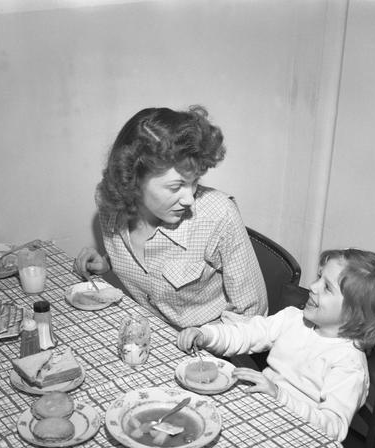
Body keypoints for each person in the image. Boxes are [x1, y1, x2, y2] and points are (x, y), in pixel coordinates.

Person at [176, 248, 375, 442]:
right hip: (260, 415)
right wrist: (206, 335)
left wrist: (278, 395)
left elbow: (333, 428)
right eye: (319, 276)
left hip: (295, 440)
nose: (314, 286)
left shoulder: (348, 365)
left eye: (327, 287)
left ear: (356, 314)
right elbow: (247, 333)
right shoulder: (294, 318)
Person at [73, 105, 267, 329]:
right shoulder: (109, 203)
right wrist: (107, 265)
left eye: (194, 182)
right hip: (149, 330)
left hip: (211, 347)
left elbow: (253, 319)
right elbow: (150, 271)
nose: (189, 199)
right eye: (176, 187)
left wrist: (209, 340)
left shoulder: (218, 214)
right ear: (134, 182)